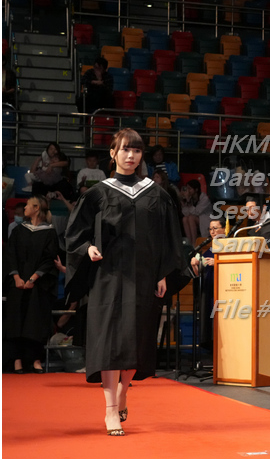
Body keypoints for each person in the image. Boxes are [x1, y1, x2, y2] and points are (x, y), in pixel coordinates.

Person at [65, 128, 184, 436]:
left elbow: (168, 238)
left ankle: (123, 391)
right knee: (109, 342)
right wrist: (87, 248)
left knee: (136, 339)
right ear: (113, 153)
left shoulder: (155, 193)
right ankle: (110, 410)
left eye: (137, 150)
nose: (131, 156)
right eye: (125, 150)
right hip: (108, 276)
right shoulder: (98, 193)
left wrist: (162, 272)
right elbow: (75, 233)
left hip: (143, 276)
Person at [5, 195, 59, 373]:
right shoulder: (18, 230)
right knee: (16, 321)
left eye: (28, 205)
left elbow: (49, 259)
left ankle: (35, 359)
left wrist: (33, 278)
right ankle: (17, 359)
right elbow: (10, 254)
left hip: (38, 285)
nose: (24, 208)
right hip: (17, 283)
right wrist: (16, 277)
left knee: (36, 321)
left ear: (36, 208)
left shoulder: (49, 232)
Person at [190, 218, 226, 349]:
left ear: (224, 229)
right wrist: (195, 264)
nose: (212, 231)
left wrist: (218, 263)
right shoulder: (210, 249)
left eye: (215, 228)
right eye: (210, 229)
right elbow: (199, 273)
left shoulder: (230, 247)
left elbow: (236, 267)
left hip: (224, 292)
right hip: (209, 291)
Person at [181, 179, 212, 245]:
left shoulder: (204, 198)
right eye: (187, 189)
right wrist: (186, 202)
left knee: (191, 218)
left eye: (190, 189)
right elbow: (185, 213)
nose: (188, 191)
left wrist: (189, 202)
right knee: (185, 219)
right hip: (195, 219)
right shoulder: (190, 198)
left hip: (205, 220)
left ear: (196, 189)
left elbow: (197, 212)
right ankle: (190, 242)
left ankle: (195, 242)